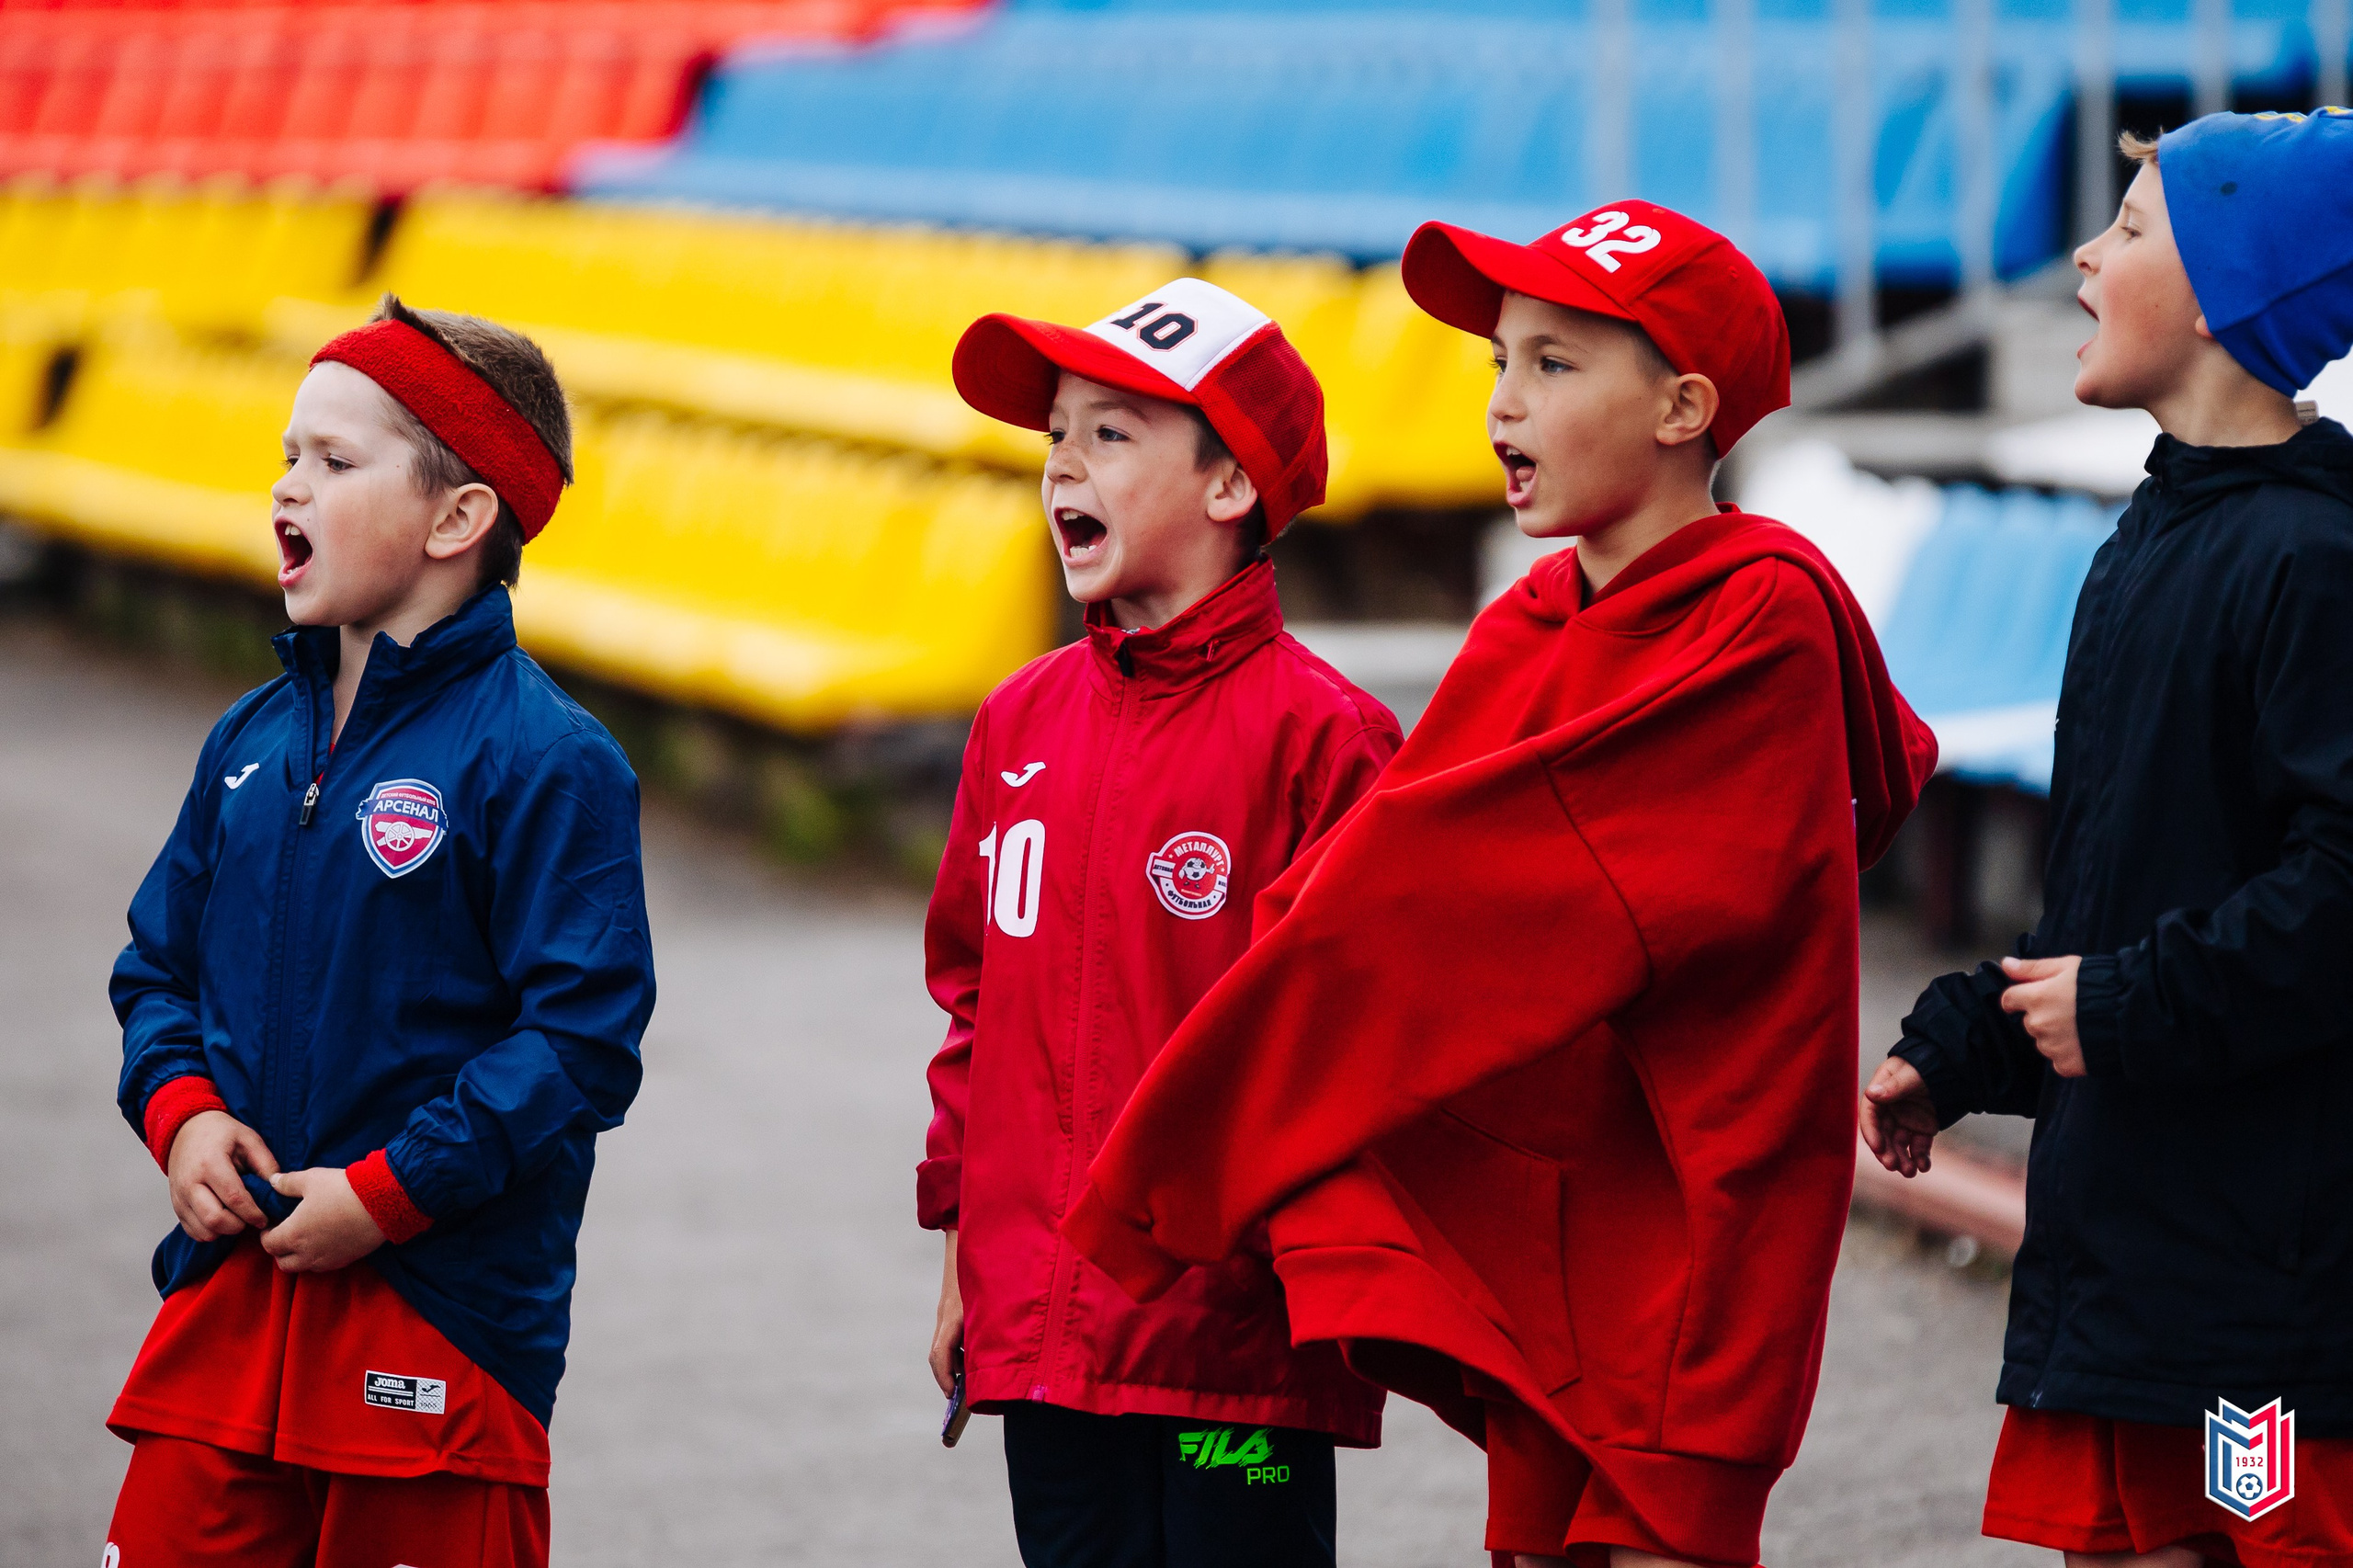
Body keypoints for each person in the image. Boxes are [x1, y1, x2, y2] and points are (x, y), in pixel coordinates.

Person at [1061, 201, 1938, 1568]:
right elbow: (1367, 883)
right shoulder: (1528, 621)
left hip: (1691, 1247)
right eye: (1496, 363)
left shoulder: (1760, 618)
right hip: (1551, 1229)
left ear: (1682, 405)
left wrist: (1202, 1125)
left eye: (1552, 363)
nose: (1503, 402)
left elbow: (1462, 899)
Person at [1861, 109, 2353, 1568]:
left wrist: (2123, 1008)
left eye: (2131, 228)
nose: (2084, 251)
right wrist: (1970, 1040)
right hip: (2125, 1262)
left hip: (2254, 1291)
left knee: (2251, 1544)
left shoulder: (2315, 561)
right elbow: (2119, 892)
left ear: (2225, 294)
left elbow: (2339, 890)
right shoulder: (2138, 546)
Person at [103, 295, 655, 1568]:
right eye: (288, 455)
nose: (289, 487)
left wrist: (387, 1192)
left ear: (458, 519)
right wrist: (181, 1108)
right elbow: (156, 965)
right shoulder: (249, 738)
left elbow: (579, 1040)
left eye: (336, 462)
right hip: (229, 1303)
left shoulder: (549, 758)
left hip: (437, 1330)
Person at [922, 277, 1404, 1568]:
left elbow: (1353, 1045)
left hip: (1232, 1358)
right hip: (1040, 1331)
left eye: (1110, 434)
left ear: (1231, 487)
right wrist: (967, 1252)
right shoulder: (1015, 723)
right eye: (1054, 435)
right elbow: (976, 1005)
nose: (1061, 462)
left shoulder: (1328, 739)